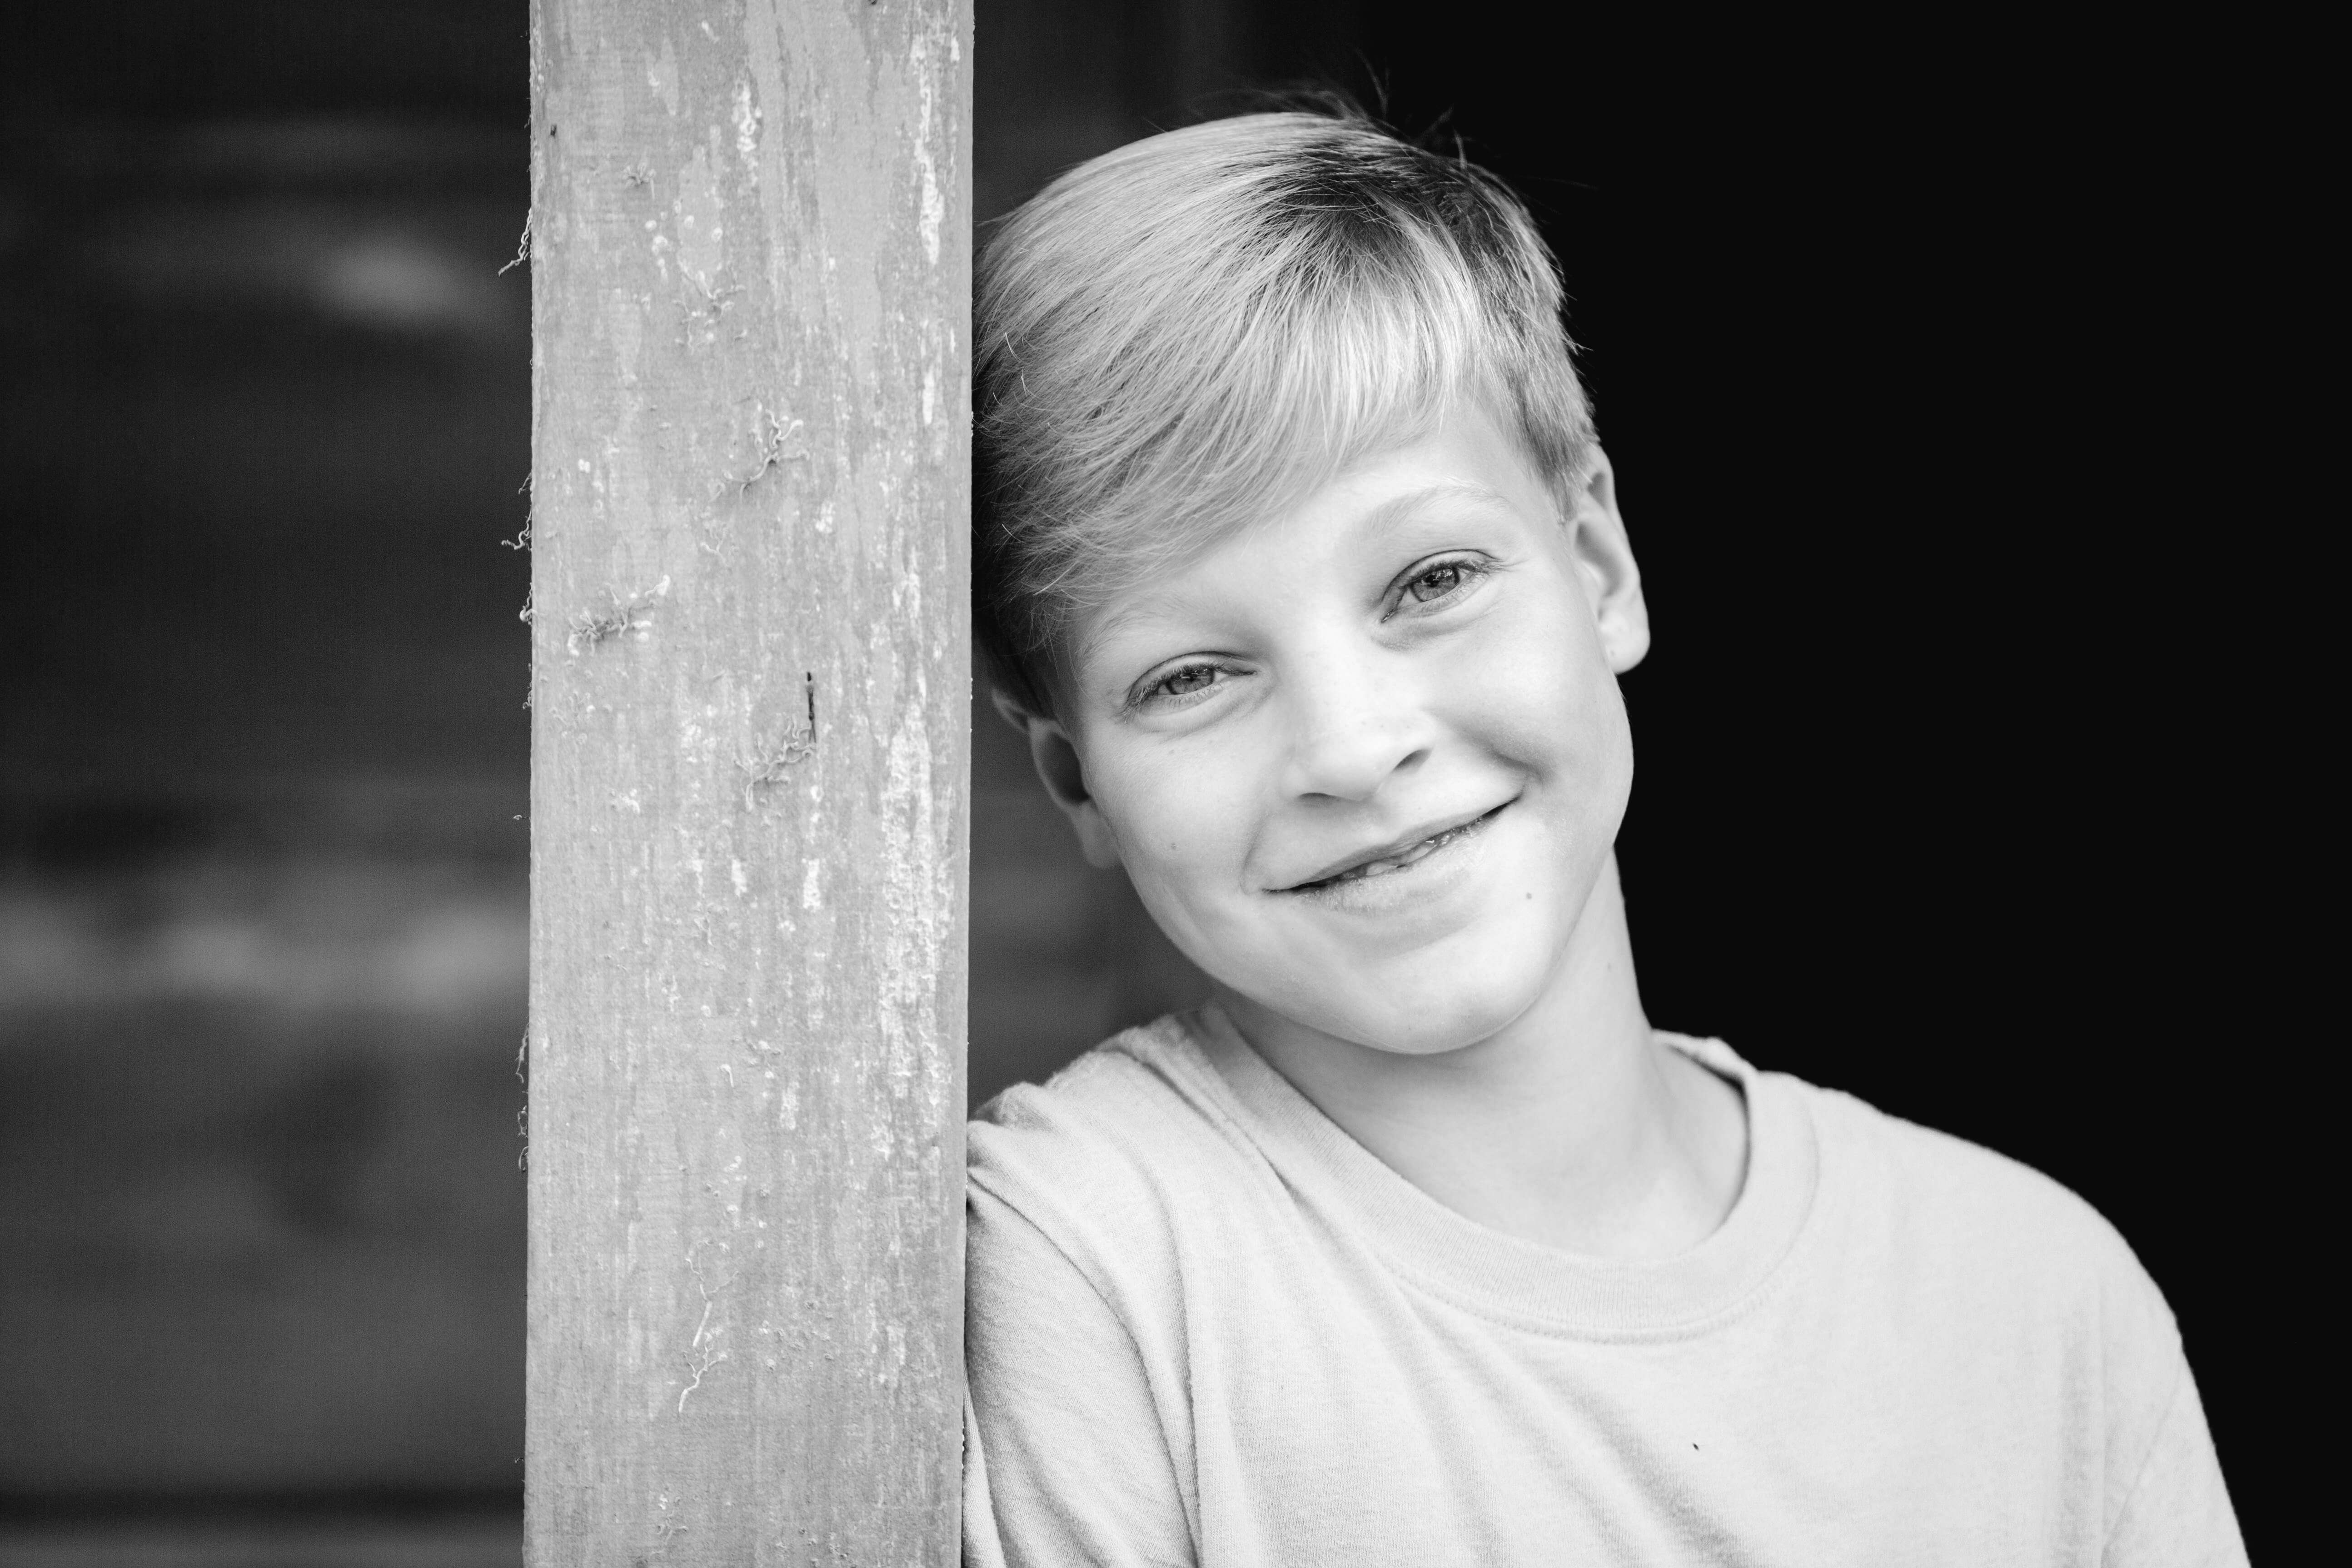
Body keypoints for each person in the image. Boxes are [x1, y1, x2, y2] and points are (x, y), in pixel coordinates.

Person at [960, 104, 2244, 1566]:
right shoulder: (1090, 1260)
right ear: (1074, 780)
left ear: (1599, 565)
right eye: (1190, 676)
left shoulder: (2043, 1305)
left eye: (1432, 578)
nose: (1353, 747)